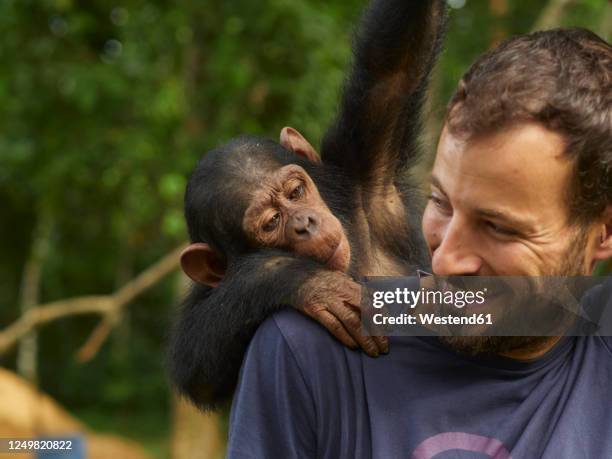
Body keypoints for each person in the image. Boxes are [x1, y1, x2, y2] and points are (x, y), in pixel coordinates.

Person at [227, 29, 612, 459]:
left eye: (498, 227)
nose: (444, 260)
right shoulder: (310, 348)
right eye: (440, 203)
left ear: (605, 232)